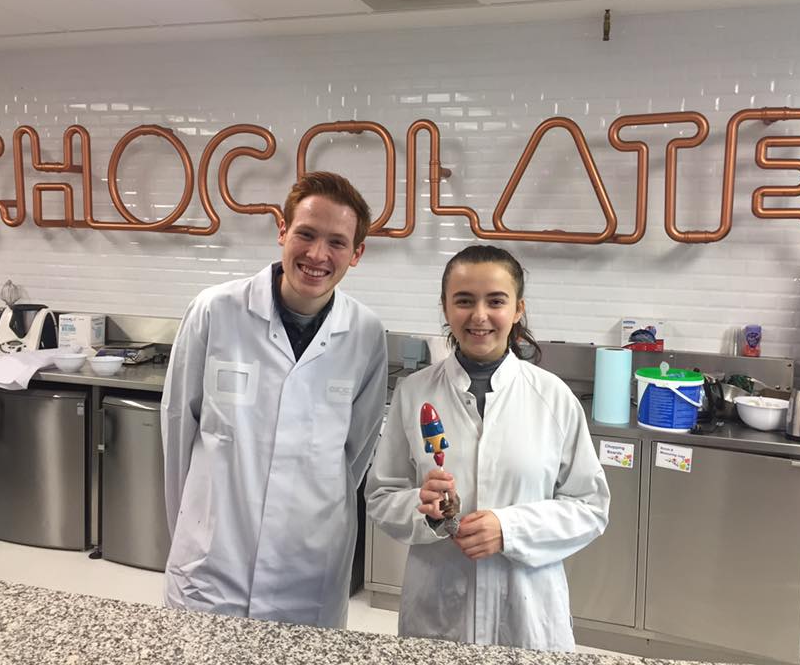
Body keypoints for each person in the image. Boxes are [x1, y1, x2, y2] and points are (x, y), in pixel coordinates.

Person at [161, 171, 388, 628]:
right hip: (212, 563)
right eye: (306, 233)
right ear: (282, 231)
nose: (318, 255)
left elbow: (355, 454)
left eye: (337, 242)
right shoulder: (216, 310)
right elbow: (178, 429)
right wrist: (193, 529)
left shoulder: (365, 333)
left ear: (357, 253)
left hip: (309, 569)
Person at [366, 244, 610, 651]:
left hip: (527, 620)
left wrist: (509, 529)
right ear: (445, 308)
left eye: (495, 301)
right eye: (464, 300)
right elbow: (381, 495)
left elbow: (590, 507)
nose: (479, 316)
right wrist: (425, 511)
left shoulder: (553, 397)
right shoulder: (414, 393)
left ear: (517, 310)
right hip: (439, 613)